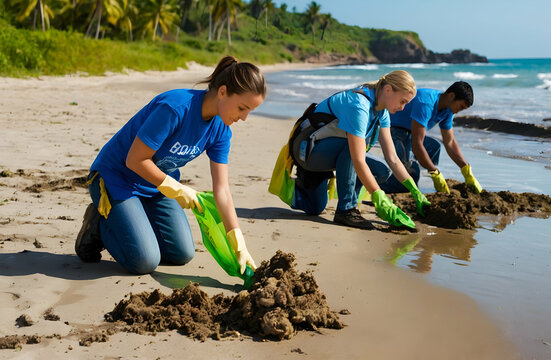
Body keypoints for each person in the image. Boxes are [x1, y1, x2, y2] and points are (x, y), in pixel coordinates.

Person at [74, 56, 265, 275]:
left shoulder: (221, 129)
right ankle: (98, 225)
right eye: (242, 108)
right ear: (222, 92)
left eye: (250, 111)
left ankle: (134, 220)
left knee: (181, 253)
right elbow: (134, 160)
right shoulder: (175, 108)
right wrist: (177, 189)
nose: (244, 118)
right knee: (145, 261)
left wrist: (237, 240)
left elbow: (222, 190)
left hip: (155, 187)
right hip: (117, 179)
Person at [276, 70, 431, 230]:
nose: (403, 107)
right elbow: (357, 158)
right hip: (308, 151)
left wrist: (415, 191)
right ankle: (346, 209)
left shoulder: (382, 112)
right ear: (388, 90)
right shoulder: (359, 105)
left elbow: (392, 157)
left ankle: (345, 198)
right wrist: (380, 198)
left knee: (381, 171)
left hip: (331, 152)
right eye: (402, 101)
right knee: (352, 149)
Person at [366, 81, 482, 195]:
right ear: (451, 96)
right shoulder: (426, 102)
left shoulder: (448, 110)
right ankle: (376, 185)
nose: (459, 111)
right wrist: (434, 171)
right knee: (410, 176)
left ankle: (413, 167)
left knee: (434, 147)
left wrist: (466, 169)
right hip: (391, 128)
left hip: (409, 132)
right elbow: (417, 145)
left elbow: (450, 142)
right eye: (460, 106)